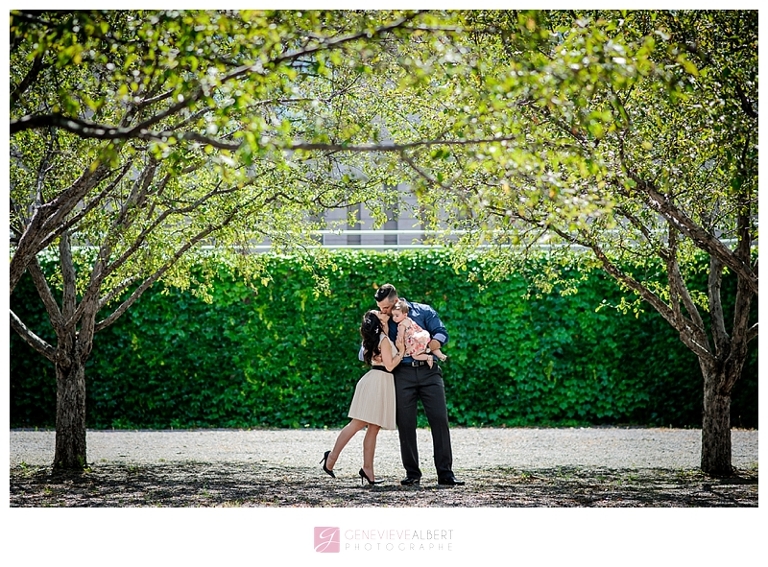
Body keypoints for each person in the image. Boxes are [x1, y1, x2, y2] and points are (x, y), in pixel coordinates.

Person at [373, 283, 465, 486]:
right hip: (402, 374)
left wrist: (429, 346)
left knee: (439, 420)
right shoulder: (383, 320)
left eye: (386, 308)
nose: (383, 312)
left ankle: (446, 474)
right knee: (405, 424)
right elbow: (368, 343)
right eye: (380, 309)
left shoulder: (424, 311)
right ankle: (412, 474)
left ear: (396, 301)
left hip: (429, 372)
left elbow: (441, 332)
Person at [321, 310, 406, 485]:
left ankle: (368, 470)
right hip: (378, 380)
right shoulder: (382, 339)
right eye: (380, 314)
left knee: (373, 428)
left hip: (379, 381)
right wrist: (402, 352)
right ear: (378, 322)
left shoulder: (378, 338)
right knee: (358, 424)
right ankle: (331, 458)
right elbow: (390, 366)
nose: (384, 313)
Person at [391, 298, 448, 369]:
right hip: (423, 335)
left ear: (405, 314)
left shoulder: (401, 325)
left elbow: (400, 338)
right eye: (393, 316)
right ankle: (441, 355)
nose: (394, 318)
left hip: (414, 342)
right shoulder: (410, 320)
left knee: (415, 355)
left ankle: (428, 357)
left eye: (396, 316)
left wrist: (400, 347)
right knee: (429, 344)